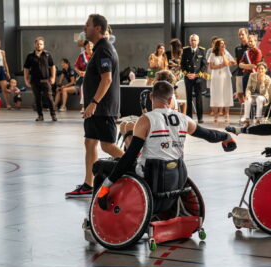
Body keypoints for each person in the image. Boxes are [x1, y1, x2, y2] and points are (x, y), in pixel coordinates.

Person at [93, 81, 237, 213]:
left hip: (150, 176)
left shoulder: (146, 120)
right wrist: (226, 137)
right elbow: (209, 134)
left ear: (151, 97)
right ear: (170, 100)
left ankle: (97, 217)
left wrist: (107, 183)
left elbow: (129, 157)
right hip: (177, 176)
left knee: (99, 166)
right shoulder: (184, 119)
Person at [66, 14, 124, 198]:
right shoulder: (99, 48)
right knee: (90, 142)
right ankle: (88, 185)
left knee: (107, 146)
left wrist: (94, 103)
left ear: (97, 28)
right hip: (96, 109)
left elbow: (106, 79)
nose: (84, 28)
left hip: (102, 108)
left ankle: (137, 167)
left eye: (87, 25)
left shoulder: (104, 50)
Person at [23, 37, 57, 122]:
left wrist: (53, 77)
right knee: (37, 99)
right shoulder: (30, 56)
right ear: (35, 45)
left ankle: (53, 115)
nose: (39, 45)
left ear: (43, 45)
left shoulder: (47, 54)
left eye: (41, 44)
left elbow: (52, 66)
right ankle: (40, 116)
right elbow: (26, 68)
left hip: (46, 80)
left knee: (49, 98)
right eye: (37, 44)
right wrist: (26, 79)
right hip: (34, 81)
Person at [208, 38, 236, 123]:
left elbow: (231, 62)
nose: (223, 45)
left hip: (225, 76)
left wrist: (224, 55)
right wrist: (221, 65)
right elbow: (211, 66)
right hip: (216, 77)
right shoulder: (212, 54)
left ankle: (227, 114)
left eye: (224, 44)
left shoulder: (226, 53)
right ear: (217, 46)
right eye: (221, 44)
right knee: (216, 94)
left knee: (226, 94)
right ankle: (216, 114)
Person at [181, 34, 207, 123]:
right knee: (188, 97)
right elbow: (182, 65)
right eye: (192, 40)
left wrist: (197, 75)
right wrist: (187, 74)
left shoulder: (202, 50)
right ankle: (189, 117)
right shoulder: (185, 50)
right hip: (188, 77)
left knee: (199, 98)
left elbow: (204, 65)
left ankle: (200, 117)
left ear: (198, 41)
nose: (193, 42)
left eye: (195, 40)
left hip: (198, 78)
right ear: (189, 41)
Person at [75, 40, 94, 114]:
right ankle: (84, 106)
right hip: (84, 78)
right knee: (83, 89)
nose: (90, 46)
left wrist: (87, 72)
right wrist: (79, 72)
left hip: (94, 77)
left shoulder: (96, 54)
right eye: (88, 45)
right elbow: (76, 66)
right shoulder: (81, 55)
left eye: (91, 44)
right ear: (85, 46)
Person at [233, 28, 250, 104]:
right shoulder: (237, 48)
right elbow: (236, 60)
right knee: (239, 93)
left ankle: (248, 113)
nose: (241, 36)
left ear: (247, 34)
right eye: (239, 35)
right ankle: (244, 111)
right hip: (239, 73)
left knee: (248, 93)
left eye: (242, 34)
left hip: (249, 74)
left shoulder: (251, 47)